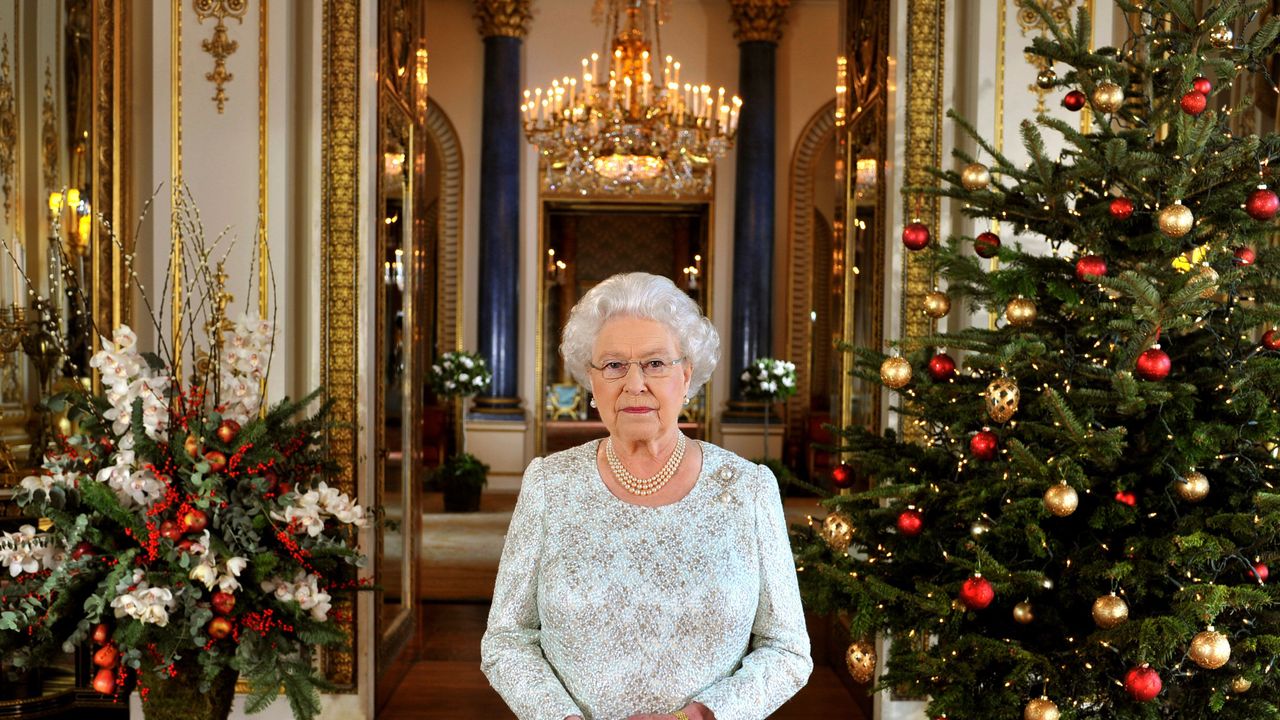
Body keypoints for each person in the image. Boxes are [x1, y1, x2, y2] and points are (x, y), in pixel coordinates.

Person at [481, 272, 811, 720]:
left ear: (687, 375)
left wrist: (698, 718)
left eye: (656, 364)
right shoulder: (548, 484)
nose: (635, 384)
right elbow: (506, 640)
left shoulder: (747, 488)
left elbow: (787, 649)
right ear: (591, 383)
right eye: (614, 365)